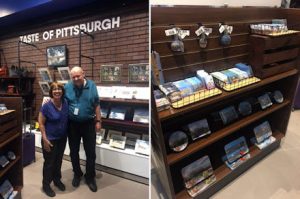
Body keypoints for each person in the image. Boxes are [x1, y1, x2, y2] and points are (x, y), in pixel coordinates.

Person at [64, 66, 101, 192]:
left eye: (78, 76)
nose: (75, 79)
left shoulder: (92, 86)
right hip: (72, 125)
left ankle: (90, 177)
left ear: (83, 74)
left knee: (91, 152)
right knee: (73, 151)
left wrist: (98, 121)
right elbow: (64, 105)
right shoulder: (67, 87)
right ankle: (77, 173)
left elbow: (96, 104)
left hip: (89, 124)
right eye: (73, 77)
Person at [38, 82, 68, 197]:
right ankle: (46, 185)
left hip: (62, 138)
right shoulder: (46, 106)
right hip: (50, 139)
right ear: (51, 92)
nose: (57, 91)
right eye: (54, 89)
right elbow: (41, 123)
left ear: (62, 91)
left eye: (59, 89)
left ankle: (57, 180)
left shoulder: (65, 102)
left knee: (59, 160)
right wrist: (45, 139)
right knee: (49, 163)